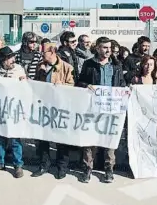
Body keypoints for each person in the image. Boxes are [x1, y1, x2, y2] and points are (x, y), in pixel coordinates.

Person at [76, 36, 126, 183]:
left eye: (109, 48)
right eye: (105, 47)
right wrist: (86, 86)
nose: (108, 50)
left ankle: (109, 169)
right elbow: (80, 81)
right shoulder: (89, 64)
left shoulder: (116, 65)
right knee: (90, 140)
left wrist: (124, 90)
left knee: (109, 140)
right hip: (93, 109)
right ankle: (87, 169)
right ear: (97, 48)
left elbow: (122, 83)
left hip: (111, 108)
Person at [32, 42, 75, 179]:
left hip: (60, 108)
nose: (41, 55)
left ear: (52, 52)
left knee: (61, 139)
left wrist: (63, 85)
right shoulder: (40, 67)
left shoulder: (67, 68)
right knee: (43, 139)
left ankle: (62, 167)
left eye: (43, 52)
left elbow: (74, 86)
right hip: (44, 107)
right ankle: (44, 164)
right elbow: (35, 85)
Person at [0, 46, 26, 178]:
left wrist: (24, 81)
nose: (12, 59)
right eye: (9, 58)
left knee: (15, 139)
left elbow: (26, 87)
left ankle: (18, 165)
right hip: (0, 109)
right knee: (0, 137)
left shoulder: (19, 69)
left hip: (14, 109)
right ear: (3, 60)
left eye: (12, 57)